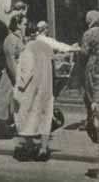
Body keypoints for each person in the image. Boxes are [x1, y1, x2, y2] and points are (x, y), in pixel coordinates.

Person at [14, 21, 79, 160]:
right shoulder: (46, 47)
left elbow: (26, 72)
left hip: (31, 89)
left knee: (28, 117)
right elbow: (54, 66)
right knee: (45, 117)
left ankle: (29, 146)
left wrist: (19, 87)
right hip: (46, 88)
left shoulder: (28, 49)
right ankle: (43, 148)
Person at [0, 12, 27, 139]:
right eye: (24, 24)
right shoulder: (11, 39)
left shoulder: (18, 38)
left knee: (12, 102)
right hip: (11, 75)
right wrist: (17, 78)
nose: (25, 26)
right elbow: (10, 60)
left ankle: (11, 128)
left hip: (17, 72)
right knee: (5, 101)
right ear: (17, 25)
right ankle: (2, 130)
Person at [82, 10, 99, 143]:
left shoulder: (88, 34)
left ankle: (95, 125)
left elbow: (85, 52)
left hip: (93, 66)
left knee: (92, 95)